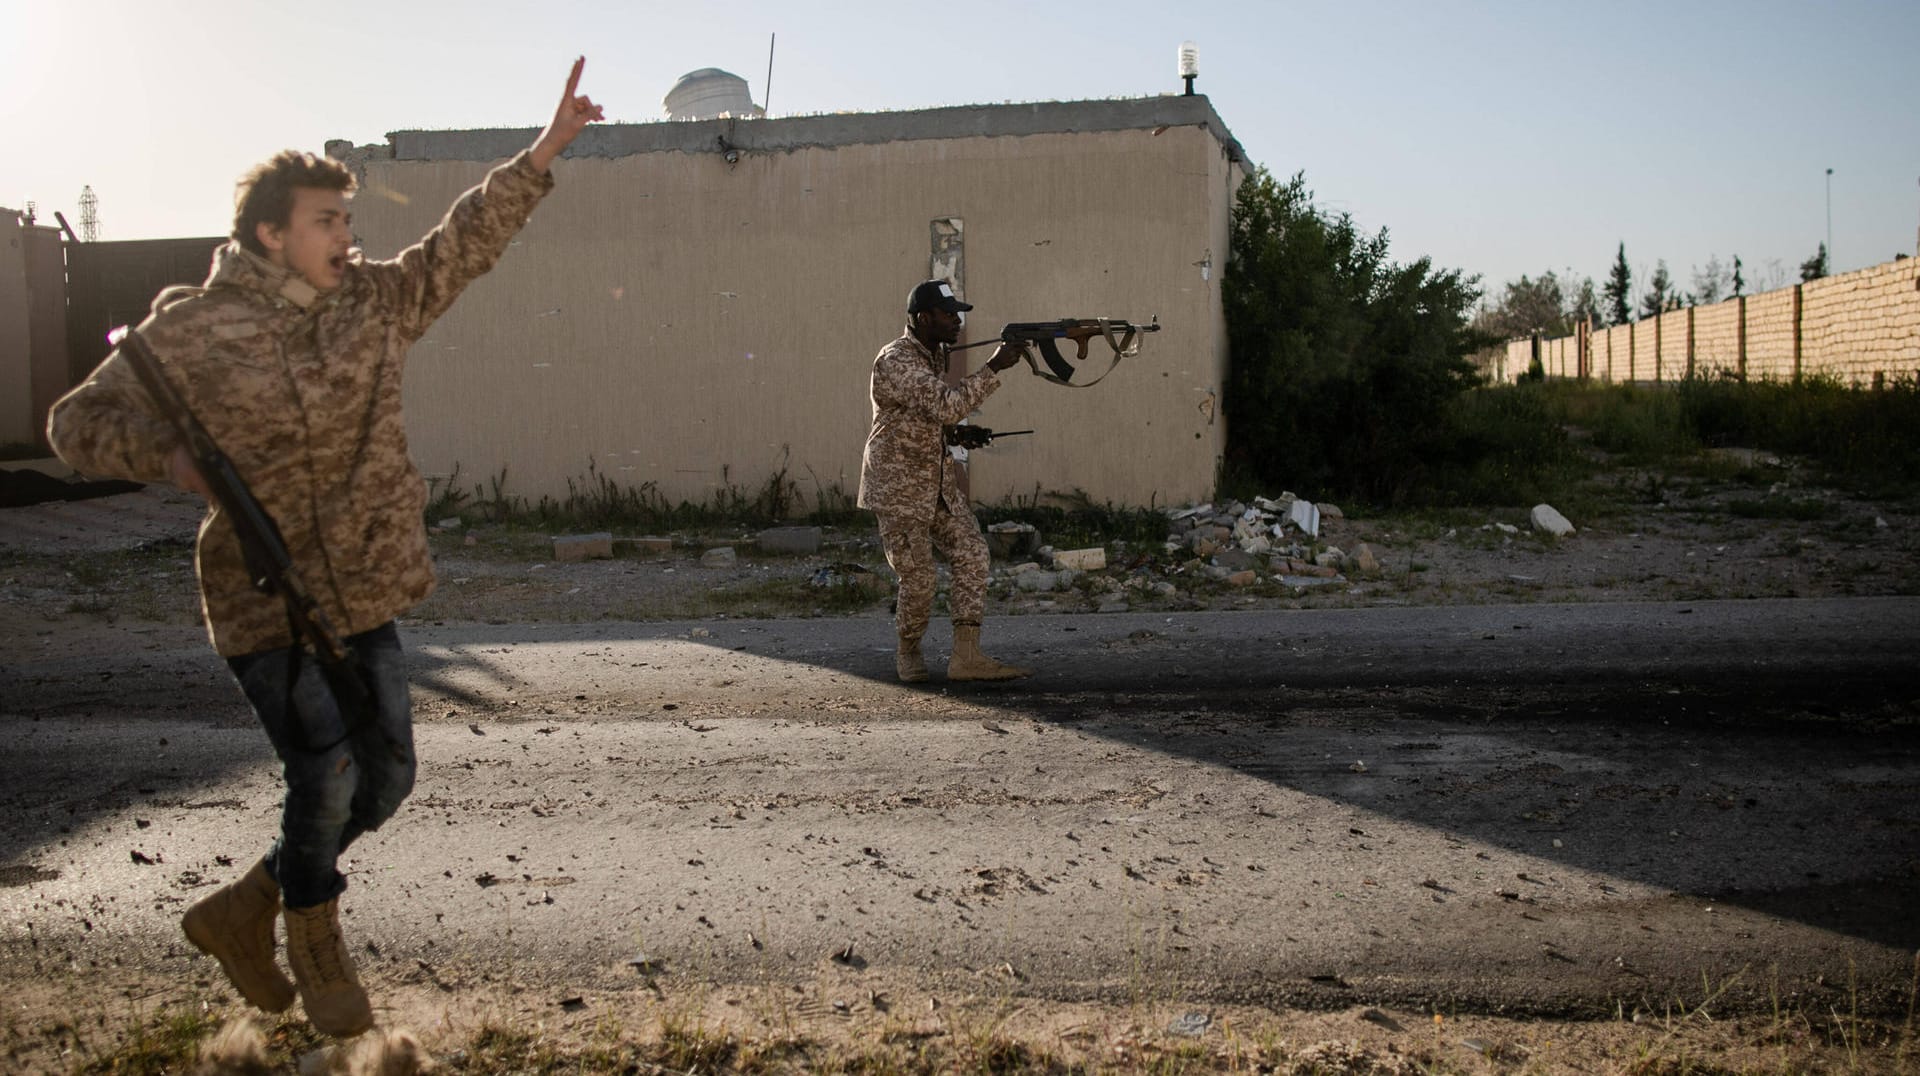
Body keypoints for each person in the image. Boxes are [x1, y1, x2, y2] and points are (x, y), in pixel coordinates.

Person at [45, 59, 604, 1037]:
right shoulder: (192, 327)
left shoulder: (376, 302)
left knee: (387, 775)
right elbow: (72, 421)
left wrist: (543, 152)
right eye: (325, 221)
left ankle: (242, 907)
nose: (347, 237)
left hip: (361, 586)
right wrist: (166, 455)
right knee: (328, 772)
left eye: (348, 219)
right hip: (260, 598)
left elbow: (462, 244)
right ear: (270, 233)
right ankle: (315, 941)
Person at [858, 279, 1034, 683]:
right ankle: (908, 651)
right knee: (919, 579)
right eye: (948, 314)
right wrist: (995, 366)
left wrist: (952, 437)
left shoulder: (932, 356)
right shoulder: (897, 359)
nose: (957, 321)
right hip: (899, 490)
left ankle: (966, 657)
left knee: (972, 554)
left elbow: (920, 416)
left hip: (935, 484)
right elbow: (945, 404)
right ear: (923, 318)